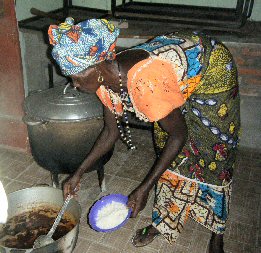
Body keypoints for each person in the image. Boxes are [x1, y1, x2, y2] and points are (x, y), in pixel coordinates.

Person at [48, 17, 240, 253]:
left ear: (97, 69)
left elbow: (179, 135)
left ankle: (217, 234)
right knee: (168, 152)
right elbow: (111, 132)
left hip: (211, 67)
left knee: (214, 150)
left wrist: (145, 187)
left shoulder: (145, 83)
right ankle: (165, 223)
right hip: (171, 72)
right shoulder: (106, 82)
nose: (74, 84)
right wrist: (78, 173)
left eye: (76, 77)